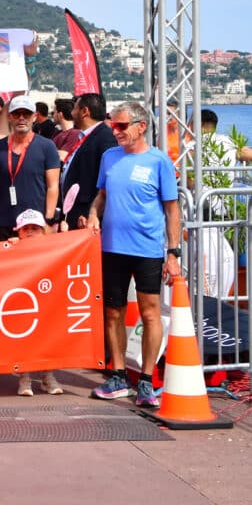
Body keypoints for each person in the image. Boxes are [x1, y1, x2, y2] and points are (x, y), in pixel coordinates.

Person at [87, 102, 181, 409]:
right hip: (112, 248)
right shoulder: (109, 157)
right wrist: (92, 215)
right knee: (112, 312)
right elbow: (101, 196)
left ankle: (145, 380)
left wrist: (173, 252)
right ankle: (117, 376)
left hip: (147, 250)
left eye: (121, 126)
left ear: (141, 126)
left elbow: (171, 209)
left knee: (150, 312)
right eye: (113, 125)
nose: (115, 132)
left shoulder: (159, 161)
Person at [5, 209, 65, 397]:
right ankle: (25, 377)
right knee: (24, 339)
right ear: (18, 231)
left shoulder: (52, 248)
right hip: (23, 304)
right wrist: (10, 247)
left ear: (43, 231)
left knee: (48, 337)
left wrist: (67, 232)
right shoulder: (13, 248)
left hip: (47, 302)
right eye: (25, 229)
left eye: (35, 228)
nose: (30, 232)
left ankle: (48, 377)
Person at [0, 96, 61, 241]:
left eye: (26, 114)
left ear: (34, 117)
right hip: (5, 222)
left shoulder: (47, 146)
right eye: (16, 114)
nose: (21, 118)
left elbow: (53, 186)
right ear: (9, 117)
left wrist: (48, 220)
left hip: (34, 225)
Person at [60, 93, 117, 231]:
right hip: (75, 214)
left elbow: (106, 180)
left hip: (86, 218)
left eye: (74, 109)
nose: (72, 113)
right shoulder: (86, 136)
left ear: (85, 111)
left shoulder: (104, 138)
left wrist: (93, 213)